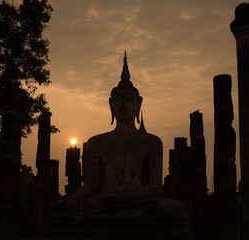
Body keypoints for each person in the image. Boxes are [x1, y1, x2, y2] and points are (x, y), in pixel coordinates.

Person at [51, 52, 187, 220]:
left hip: (139, 201)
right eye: (117, 100)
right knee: (62, 208)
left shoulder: (152, 142)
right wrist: (78, 194)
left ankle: (120, 213)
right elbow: (91, 185)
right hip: (104, 201)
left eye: (129, 100)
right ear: (110, 104)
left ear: (138, 103)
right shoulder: (97, 142)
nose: (123, 106)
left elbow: (154, 187)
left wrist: (125, 198)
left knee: (174, 209)